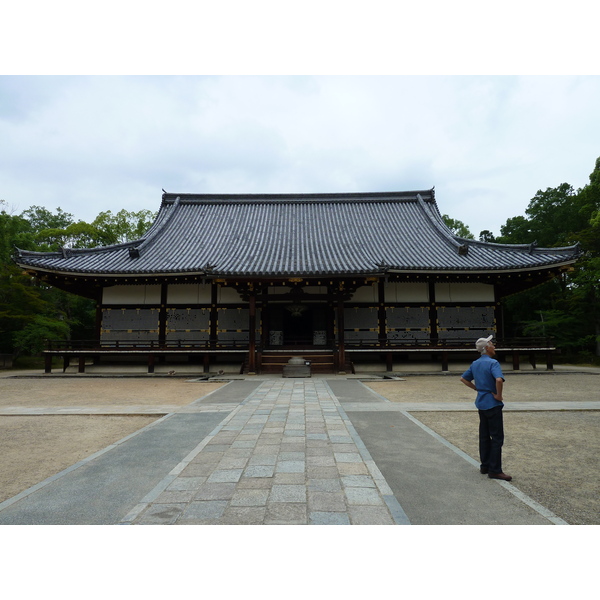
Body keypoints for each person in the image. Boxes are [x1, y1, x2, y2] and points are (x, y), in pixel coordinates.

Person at [460, 335, 512, 481]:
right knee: (496, 437)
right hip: (493, 403)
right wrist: (499, 395)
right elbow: (499, 379)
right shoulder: (493, 363)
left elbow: (463, 379)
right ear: (487, 348)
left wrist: (477, 388)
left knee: (484, 435)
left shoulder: (475, 363)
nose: (494, 346)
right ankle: (495, 470)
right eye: (491, 344)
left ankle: (485, 465)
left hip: (481, 402)